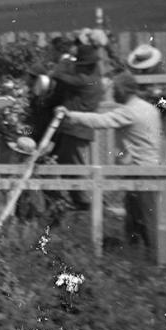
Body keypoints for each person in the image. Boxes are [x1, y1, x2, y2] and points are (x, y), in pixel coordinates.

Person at [59, 72, 163, 253]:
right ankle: (141, 257)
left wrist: (71, 116)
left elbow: (101, 121)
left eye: (114, 89)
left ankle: (154, 258)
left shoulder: (130, 111)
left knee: (144, 217)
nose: (112, 94)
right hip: (150, 167)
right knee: (140, 215)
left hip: (138, 170)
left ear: (123, 90)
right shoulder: (149, 108)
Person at [47, 44, 105, 210]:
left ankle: (83, 201)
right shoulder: (94, 78)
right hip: (77, 128)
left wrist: (59, 68)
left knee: (74, 165)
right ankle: (79, 199)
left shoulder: (84, 80)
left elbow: (61, 77)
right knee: (69, 162)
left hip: (77, 128)